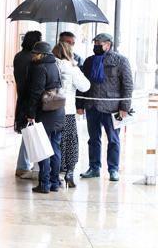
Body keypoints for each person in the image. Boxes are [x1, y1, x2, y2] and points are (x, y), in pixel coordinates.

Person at [77, 33, 134, 182]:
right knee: (93, 139)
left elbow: (127, 85)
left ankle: (113, 169)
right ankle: (94, 167)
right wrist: (80, 104)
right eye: (94, 42)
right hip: (92, 105)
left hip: (112, 107)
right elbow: (81, 83)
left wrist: (125, 107)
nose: (96, 45)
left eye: (99, 43)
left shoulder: (120, 61)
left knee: (113, 140)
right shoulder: (89, 61)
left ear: (108, 45)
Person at [24, 42, 65, 193]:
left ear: (42, 54)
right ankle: (55, 183)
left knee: (43, 149)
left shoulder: (39, 68)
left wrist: (31, 114)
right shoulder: (56, 65)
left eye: (35, 53)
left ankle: (44, 184)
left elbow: (35, 93)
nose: (33, 56)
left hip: (45, 111)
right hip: (58, 110)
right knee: (55, 148)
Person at [52, 42, 90, 187]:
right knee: (70, 142)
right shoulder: (72, 68)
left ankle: (55, 174)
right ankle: (69, 173)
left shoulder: (50, 65)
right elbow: (85, 86)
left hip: (51, 111)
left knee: (55, 143)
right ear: (69, 53)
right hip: (67, 111)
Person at [13, 30, 42, 179]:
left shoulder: (18, 56)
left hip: (22, 97)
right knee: (30, 132)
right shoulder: (33, 58)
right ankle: (25, 165)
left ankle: (24, 165)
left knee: (27, 132)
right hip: (31, 99)